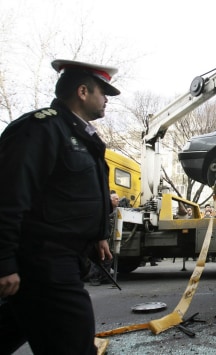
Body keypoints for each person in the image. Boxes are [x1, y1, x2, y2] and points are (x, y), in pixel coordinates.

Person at [0, 59, 117, 354]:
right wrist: (4, 262)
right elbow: (9, 197)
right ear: (82, 91)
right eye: (102, 92)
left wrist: (99, 235)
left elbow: (78, 193)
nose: (106, 100)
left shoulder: (80, 135)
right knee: (74, 343)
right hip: (45, 260)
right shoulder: (39, 129)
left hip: (66, 258)